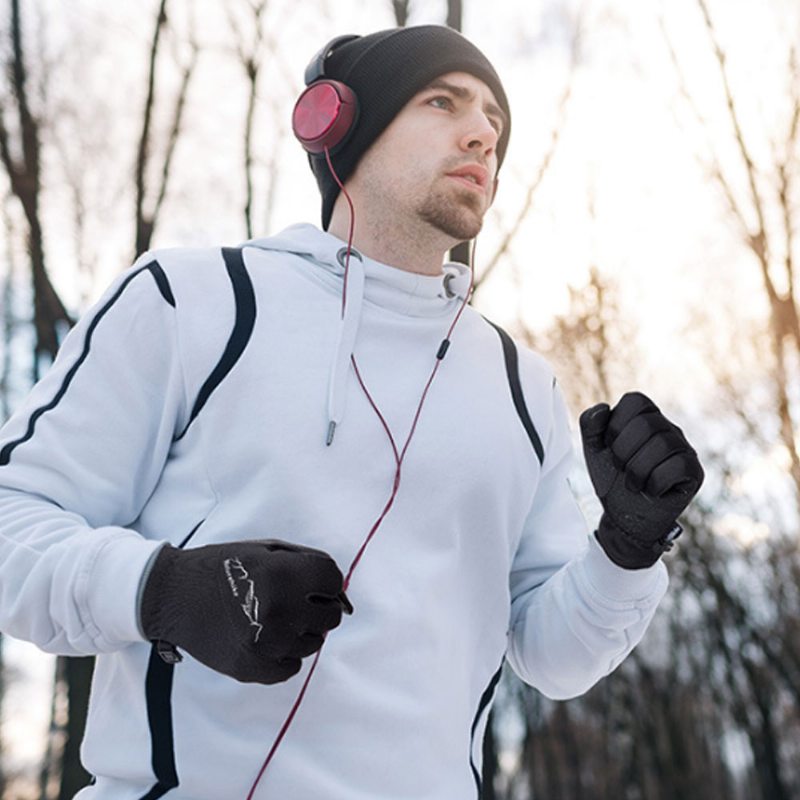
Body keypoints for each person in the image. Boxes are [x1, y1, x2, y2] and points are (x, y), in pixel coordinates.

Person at [0, 25, 703, 800]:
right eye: (444, 101)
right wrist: (164, 590)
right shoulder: (192, 301)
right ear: (336, 122)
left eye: (495, 123)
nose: (483, 134)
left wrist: (626, 549)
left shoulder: (520, 384)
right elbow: (14, 519)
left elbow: (554, 653)